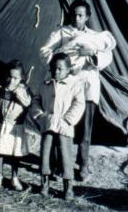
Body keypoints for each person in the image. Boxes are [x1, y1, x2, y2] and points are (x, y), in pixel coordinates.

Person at [40, 0, 116, 181]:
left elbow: (107, 56)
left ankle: (83, 165)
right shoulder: (61, 33)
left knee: (85, 130)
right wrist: (62, 61)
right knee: (62, 124)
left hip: (88, 84)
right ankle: (60, 165)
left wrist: (91, 54)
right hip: (68, 85)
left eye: (81, 15)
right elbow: (44, 51)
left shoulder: (95, 37)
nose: (77, 18)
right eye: (74, 15)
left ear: (87, 17)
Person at [32, 53, 85, 200]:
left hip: (64, 125)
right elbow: (36, 100)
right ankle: (45, 183)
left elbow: (79, 103)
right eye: (54, 68)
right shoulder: (45, 83)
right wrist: (40, 116)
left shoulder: (75, 84)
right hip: (48, 123)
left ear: (68, 69)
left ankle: (68, 186)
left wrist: (68, 119)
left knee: (65, 156)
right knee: (46, 154)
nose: (56, 72)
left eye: (60, 69)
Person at [0, 60, 32, 191]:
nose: (11, 81)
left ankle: (14, 177)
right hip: (3, 124)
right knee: (0, 151)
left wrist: (19, 93)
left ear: (21, 78)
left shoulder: (23, 90)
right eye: (10, 76)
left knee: (15, 153)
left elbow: (27, 103)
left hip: (16, 126)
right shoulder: (1, 89)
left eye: (15, 78)